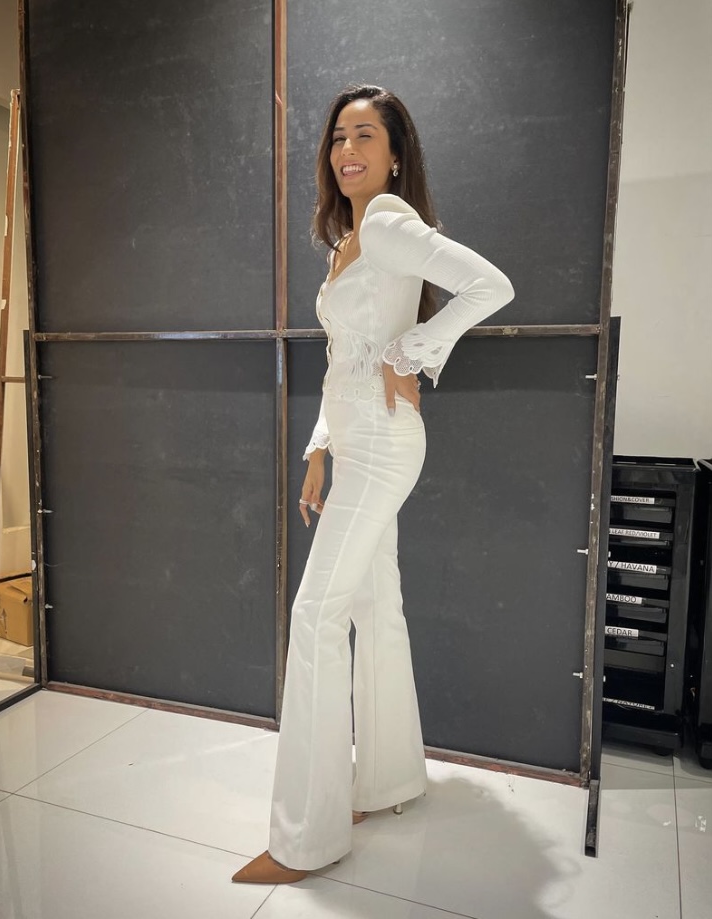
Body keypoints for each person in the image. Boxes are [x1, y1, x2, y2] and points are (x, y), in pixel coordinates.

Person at [232, 84, 514, 885]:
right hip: (356, 439)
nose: (346, 150)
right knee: (373, 605)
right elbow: (341, 359)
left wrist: (412, 351)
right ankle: (388, 780)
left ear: (394, 154)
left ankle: (306, 838)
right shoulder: (349, 240)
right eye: (337, 137)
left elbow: (491, 285)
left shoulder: (388, 220)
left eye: (364, 136)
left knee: (315, 613)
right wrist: (321, 447)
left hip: (387, 443)